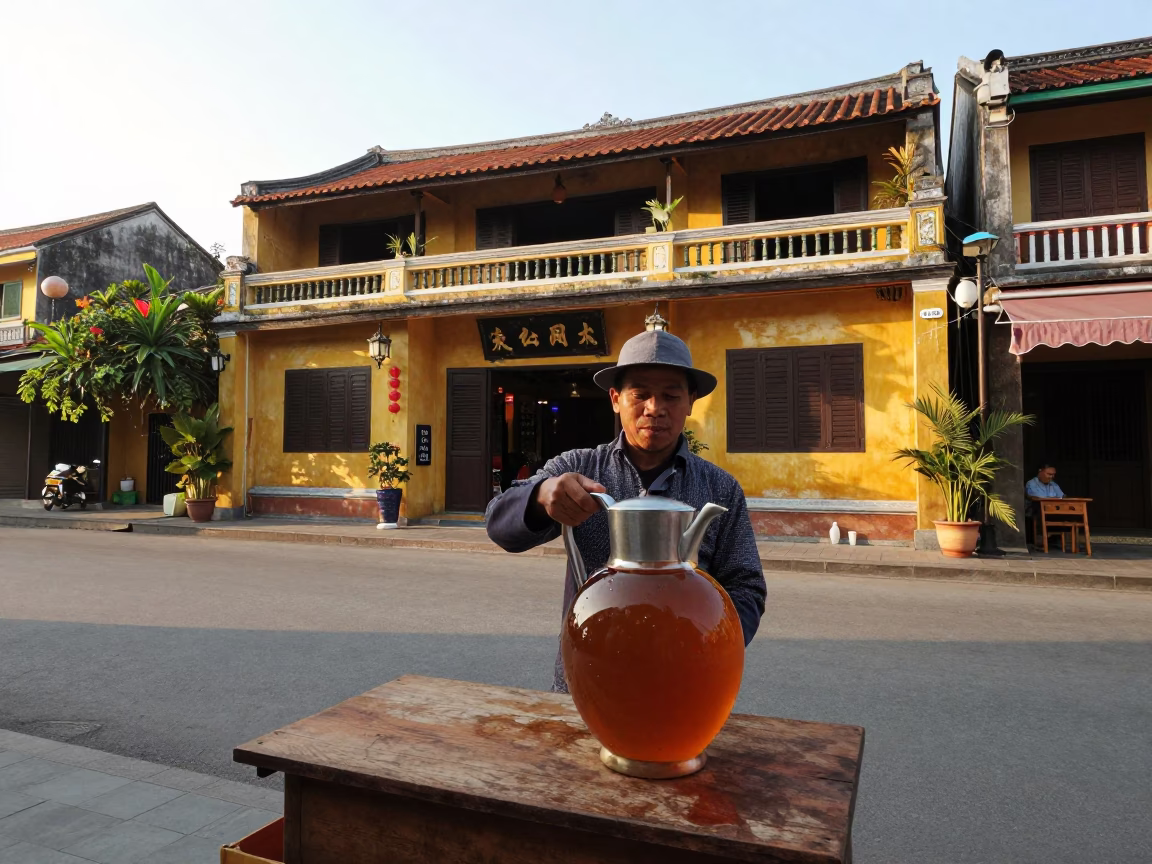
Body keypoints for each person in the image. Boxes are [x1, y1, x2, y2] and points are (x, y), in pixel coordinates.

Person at [485, 329, 767, 693]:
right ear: (616, 399)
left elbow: (746, 586)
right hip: (589, 677)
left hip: (685, 687)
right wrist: (541, 495)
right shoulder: (580, 468)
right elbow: (498, 523)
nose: (655, 408)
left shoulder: (720, 488)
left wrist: (709, 642)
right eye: (641, 394)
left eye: (670, 395)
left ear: (691, 401)